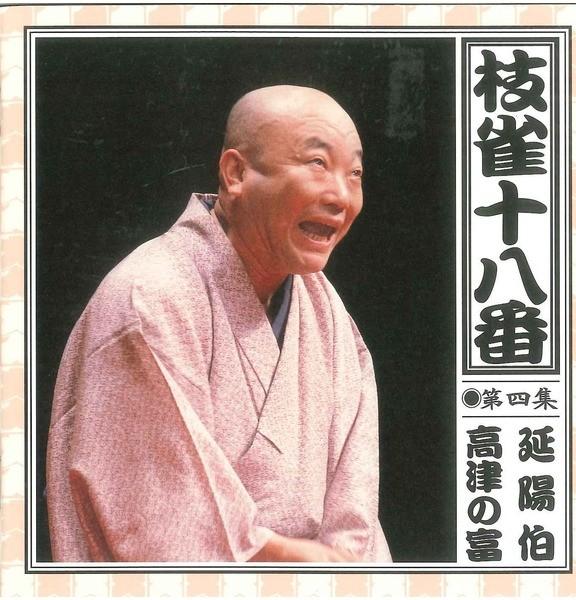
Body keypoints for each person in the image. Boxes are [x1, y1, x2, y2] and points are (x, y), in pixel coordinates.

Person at [46, 85, 392, 563]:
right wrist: (306, 565)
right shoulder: (153, 294)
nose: (340, 195)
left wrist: (350, 574)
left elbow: (356, 512)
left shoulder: (325, 310)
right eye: (317, 163)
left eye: (354, 174)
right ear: (236, 173)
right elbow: (162, 521)